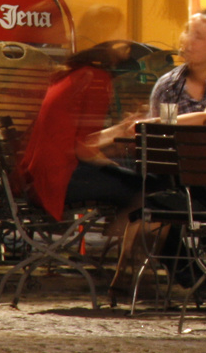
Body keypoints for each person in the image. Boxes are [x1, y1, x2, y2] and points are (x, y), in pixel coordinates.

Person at [11, 40, 149, 221]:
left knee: (133, 179)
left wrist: (121, 129)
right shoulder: (97, 80)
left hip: (39, 177)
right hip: (60, 181)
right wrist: (115, 166)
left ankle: (121, 235)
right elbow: (84, 148)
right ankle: (130, 243)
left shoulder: (73, 74)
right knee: (147, 187)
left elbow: (82, 139)